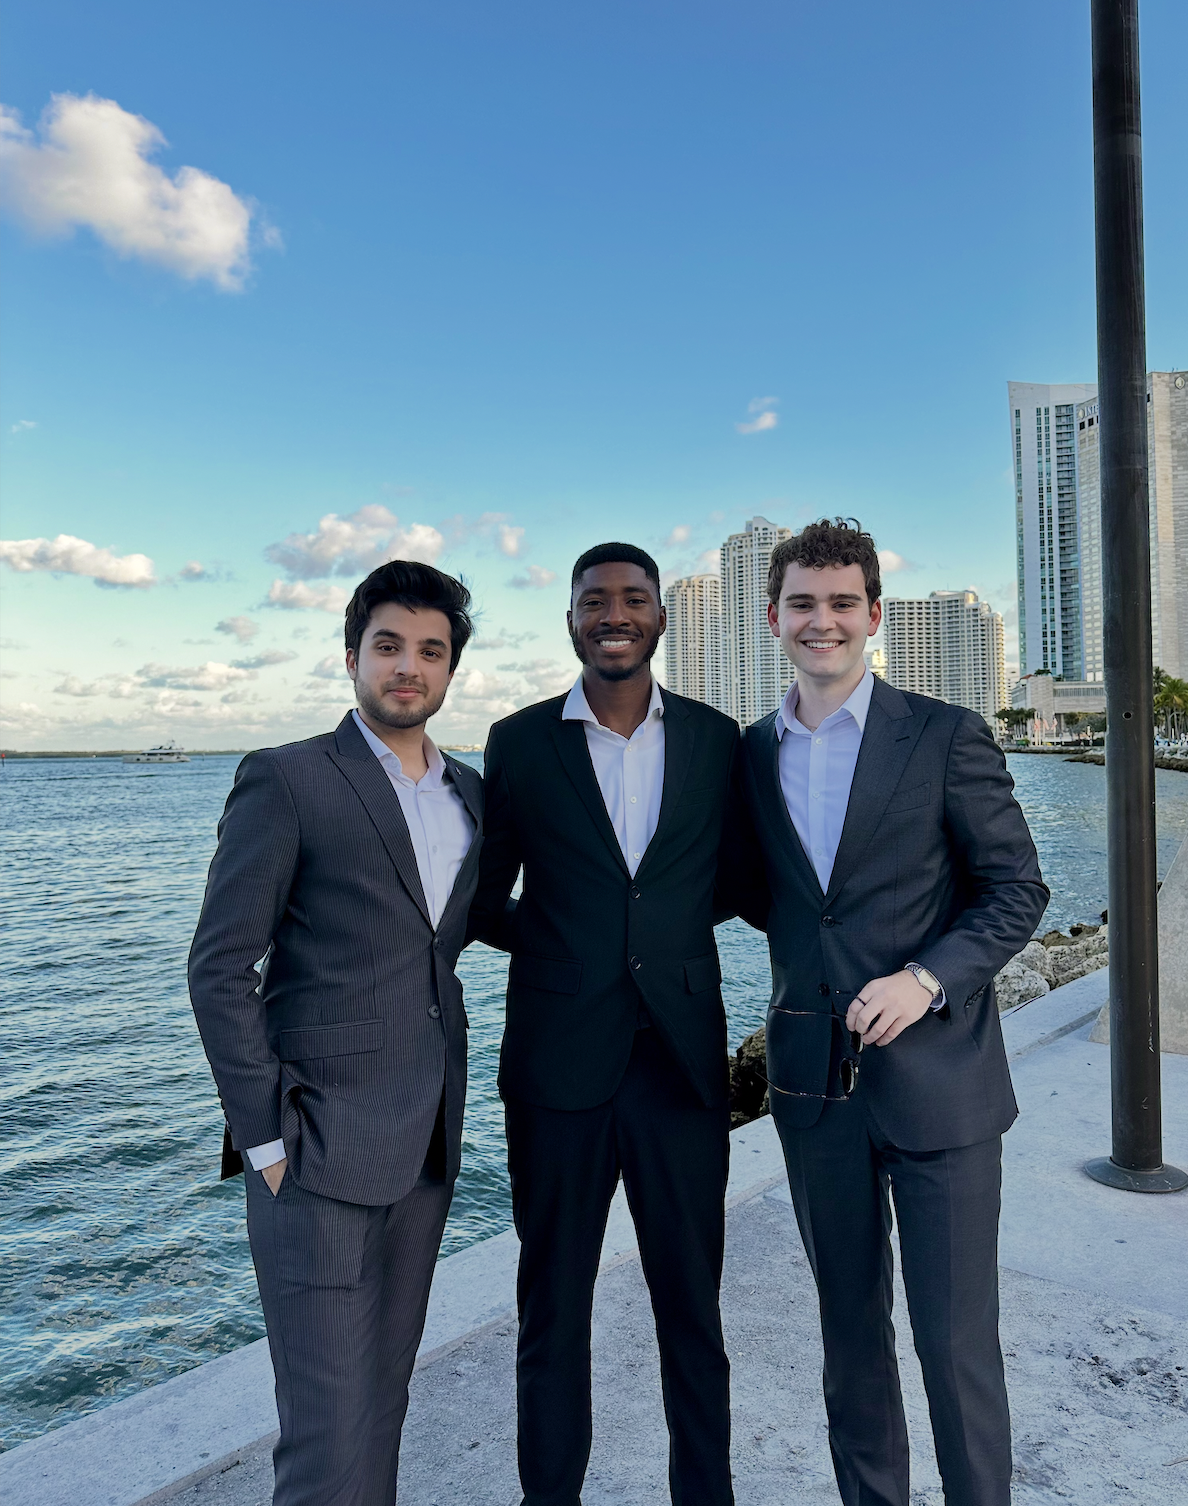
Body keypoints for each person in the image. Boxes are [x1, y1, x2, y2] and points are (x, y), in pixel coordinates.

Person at [738, 518, 1048, 1506]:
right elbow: (753, 891)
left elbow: (1014, 888)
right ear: (773, 616)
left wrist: (928, 977)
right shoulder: (746, 756)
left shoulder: (947, 734)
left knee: (954, 1345)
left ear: (873, 615)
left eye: (840, 603)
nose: (820, 620)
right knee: (849, 1340)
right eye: (801, 603)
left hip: (942, 1087)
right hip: (811, 1090)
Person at [188, 560, 483, 1506]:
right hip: (314, 1152)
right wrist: (267, 1137)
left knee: (382, 1410)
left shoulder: (470, 795)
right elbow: (219, 966)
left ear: (450, 670)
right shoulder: (287, 779)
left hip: (425, 1147)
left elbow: (454, 935)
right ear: (351, 656)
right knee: (323, 1438)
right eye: (389, 646)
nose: (409, 667)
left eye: (430, 651)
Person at [469, 542, 741, 1506]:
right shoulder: (518, 741)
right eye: (595, 600)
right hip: (556, 1071)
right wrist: (566, 945)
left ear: (661, 617)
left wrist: (653, 937)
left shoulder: (717, 740)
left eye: (634, 599)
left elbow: (742, 881)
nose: (614, 613)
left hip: (680, 1072)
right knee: (551, 1314)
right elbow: (480, 896)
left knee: (693, 1317)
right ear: (572, 619)